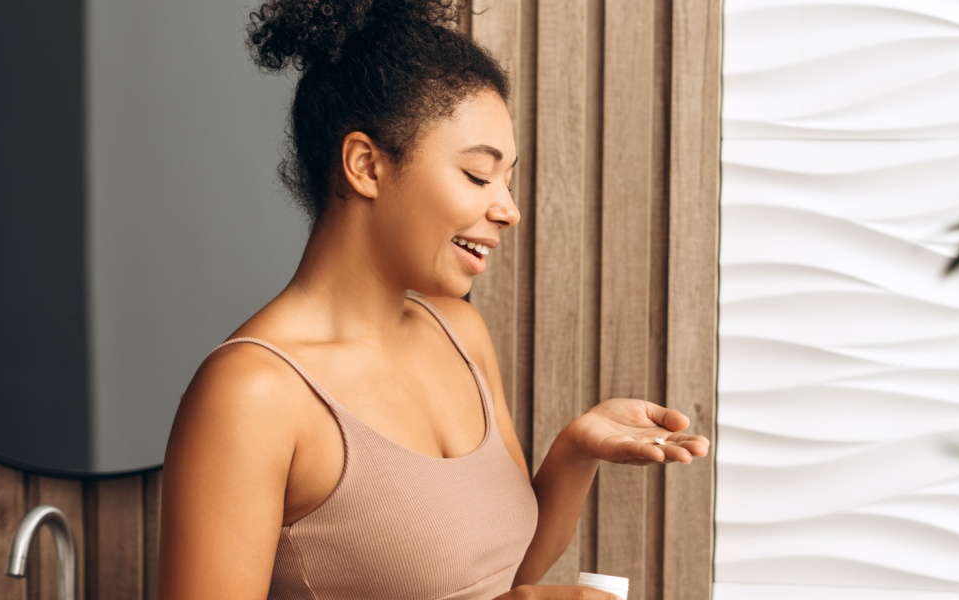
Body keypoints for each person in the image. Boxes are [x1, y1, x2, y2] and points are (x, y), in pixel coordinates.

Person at [156, 1, 710, 598]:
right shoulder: (252, 394)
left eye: (508, 179)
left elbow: (504, 574)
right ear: (366, 165)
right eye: (478, 175)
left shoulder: (458, 331)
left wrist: (575, 452)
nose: (508, 209)